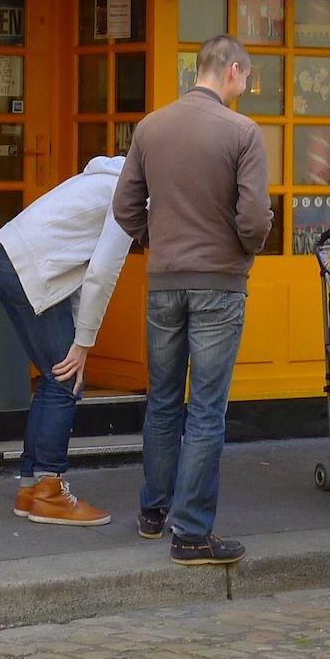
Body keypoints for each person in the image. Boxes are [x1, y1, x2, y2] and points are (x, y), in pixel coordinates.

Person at [112, 34, 272, 566]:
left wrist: (156, 241)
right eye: (246, 77)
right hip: (219, 284)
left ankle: (153, 512)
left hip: (164, 281)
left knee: (162, 400)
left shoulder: (150, 127)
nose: (245, 87)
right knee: (205, 409)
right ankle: (192, 532)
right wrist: (243, 250)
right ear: (232, 71)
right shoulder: (242, 132)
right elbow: (254, 218)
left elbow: (124, 207)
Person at [0, 155, 136, 526]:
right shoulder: (132, 194)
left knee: (57, 375)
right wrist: (82, 343)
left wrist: (78, 337)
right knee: (66, 378)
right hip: (28, 268)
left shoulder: (110, 178)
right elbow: (102, 272)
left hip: (8, 256)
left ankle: (30, 489)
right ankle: (49, 493)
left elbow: (80, 271)